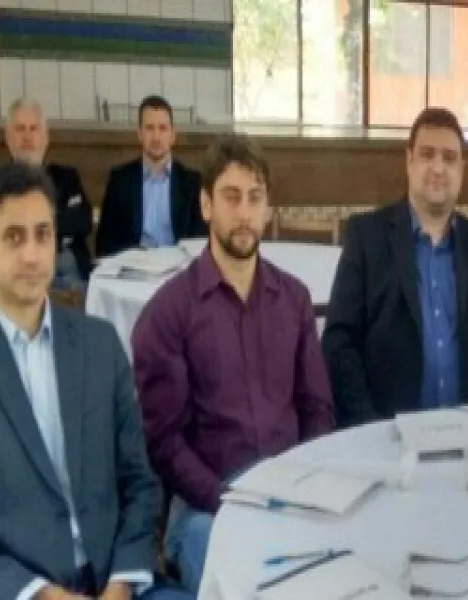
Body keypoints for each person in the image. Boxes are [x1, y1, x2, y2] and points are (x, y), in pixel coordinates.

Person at [0, 163, 187, 599]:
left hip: (119, 582)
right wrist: (40, 594)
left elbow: (140, 484)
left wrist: (122, 583)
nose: (32, 255)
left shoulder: (100, 344)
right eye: (14, 237)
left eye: (43, 234)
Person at [133, 134, 334, 591]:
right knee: (244, 579)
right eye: (231, 197)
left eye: (254, 198)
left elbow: (317, 408)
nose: (244, 213)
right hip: (207, 505)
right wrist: (228, 500)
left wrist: (303, 484)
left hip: (289, 491)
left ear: (268, 208)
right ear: (206, 205)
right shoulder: (168, 313)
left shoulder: (293, 299)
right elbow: (163, 442)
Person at [323, 108, 468, 428]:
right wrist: (369, 426)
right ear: (409, 161)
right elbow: (339, 342)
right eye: (427, 155)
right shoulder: (367, 239)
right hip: (388, 435)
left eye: (449, 158)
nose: (438, 168)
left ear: (462, 169)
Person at [96, 95, 205, 258]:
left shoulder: (192, 183)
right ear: (139, 134)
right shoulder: (120, 180)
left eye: (162, 128)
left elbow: (200, 242)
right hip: (133, 266)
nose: (156, 137)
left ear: (173, 135)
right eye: (149, 128)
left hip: (179, 266)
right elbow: (105, 243)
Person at [5, 98, 94, 288]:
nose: (27, 136)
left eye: (33, 129)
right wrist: (57, 223)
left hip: (69, 272)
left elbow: (82, 221)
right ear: (8, 138)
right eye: (20, 129)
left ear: (45, 138)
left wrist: (29, 223)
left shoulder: (66, 177)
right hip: (19, 273)